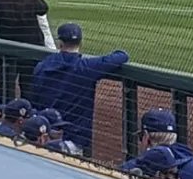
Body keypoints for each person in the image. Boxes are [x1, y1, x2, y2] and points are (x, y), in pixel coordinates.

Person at [31, 23, 129, 156]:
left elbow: (34, 98)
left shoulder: (42, 66)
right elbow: (122, 56)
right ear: (80, 43)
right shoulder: (86, 67)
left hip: (41, 135)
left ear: (60, 43)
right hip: (73, 141)